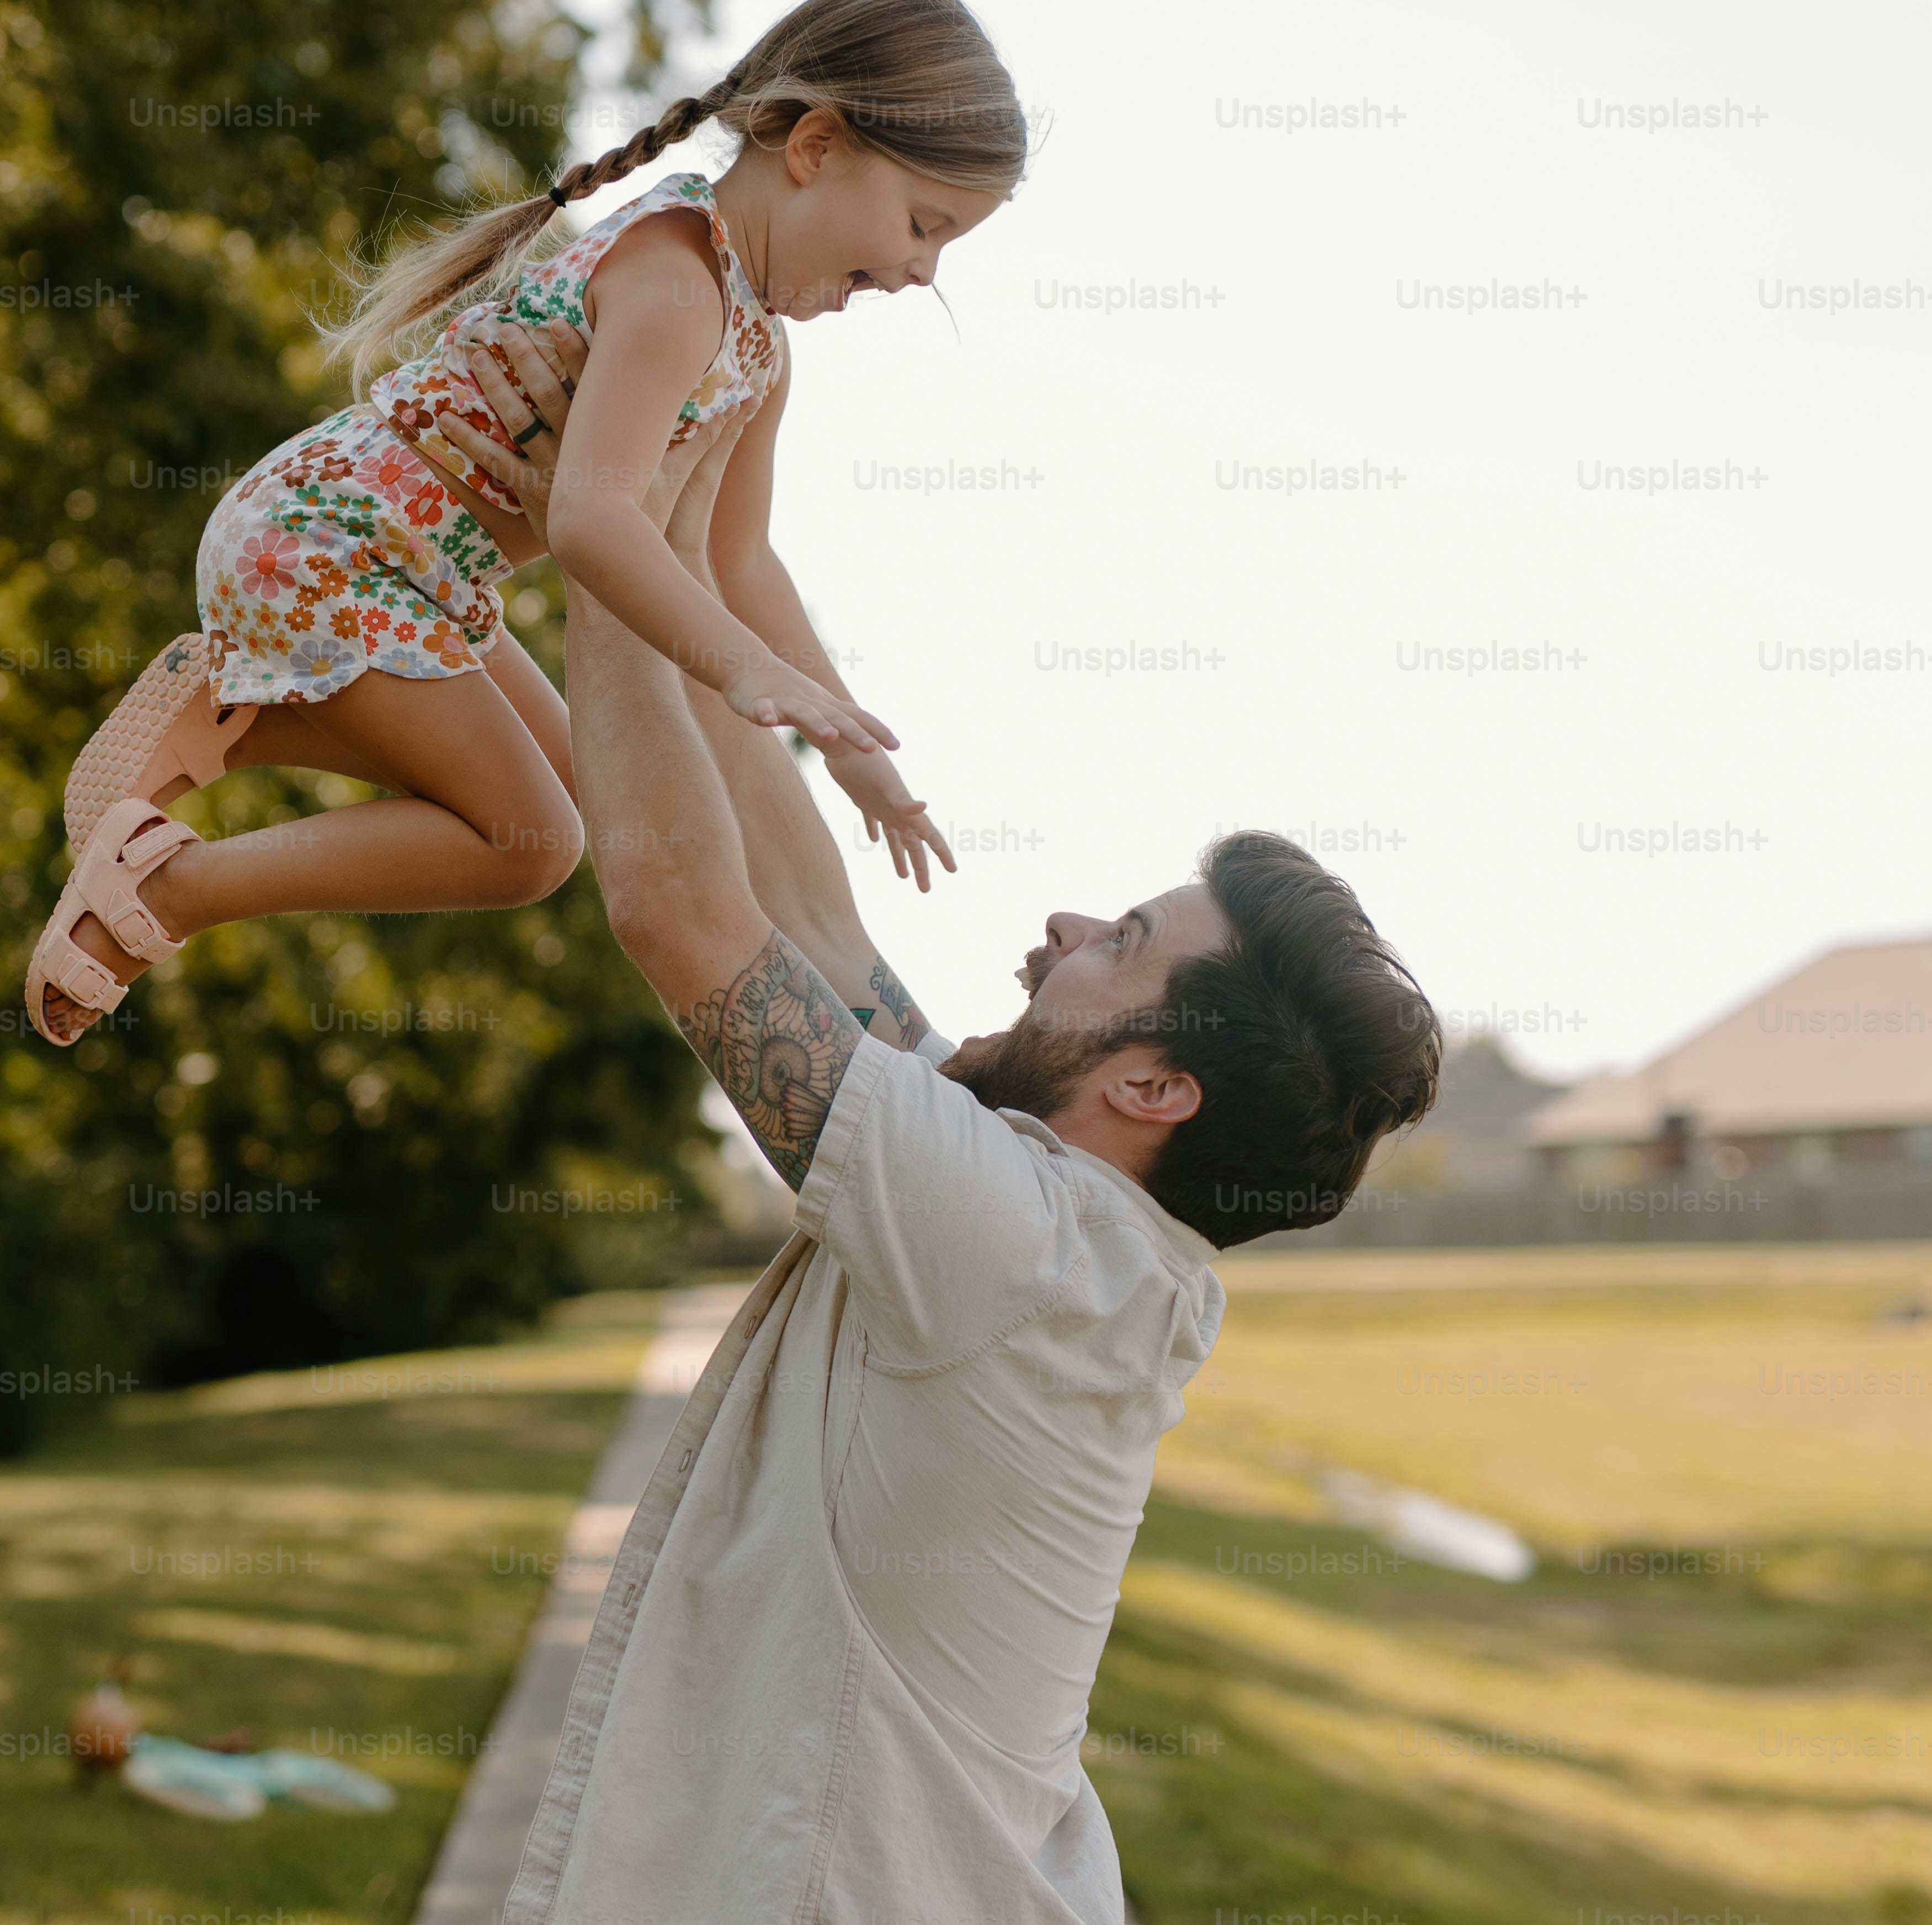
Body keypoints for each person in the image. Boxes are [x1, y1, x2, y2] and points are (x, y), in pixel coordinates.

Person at [435, 338, 1446, 1925]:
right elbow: (811, 916)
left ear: (1154, 1088)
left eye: (1121, 936)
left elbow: (679, 908)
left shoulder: (1017, 1241)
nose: (1058, 922)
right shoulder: (1059, 1225)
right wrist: (671, 529)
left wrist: (604, 520)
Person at [25, 0, 1026, 1044]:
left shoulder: (757, 348)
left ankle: (248, 712)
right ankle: (168, 886)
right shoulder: (676, 275)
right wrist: (739, 669)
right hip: (332, 542)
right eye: (924, 224)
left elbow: (743, 564)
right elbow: (593, 522)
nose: (923, 271)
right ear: (816, 146)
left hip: (413, 572)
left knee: (580, 791)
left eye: (946, 246)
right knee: (529, 845)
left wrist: (859, 759)